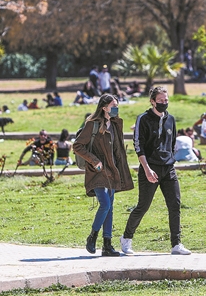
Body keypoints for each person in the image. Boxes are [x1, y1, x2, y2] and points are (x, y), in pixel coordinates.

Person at [120, 86, 192, 256]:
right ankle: (126, 238)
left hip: (168, 168)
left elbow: (172, 142)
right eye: (160, 101)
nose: (163, 103)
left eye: (166, 100)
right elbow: (139, 146)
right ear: (152, 101)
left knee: (175, 204)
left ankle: (176, 244)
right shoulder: (143, 119)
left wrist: (169, 161)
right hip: (149, 168)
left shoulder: (171, 120)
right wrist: (147, 169)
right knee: (143, 206)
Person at [73, 95, 134, 256]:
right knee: (105, 204)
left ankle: (107, 245)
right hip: (97, 171)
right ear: (104, 107)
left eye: (117, 105)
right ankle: (92, 236)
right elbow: (77, 145)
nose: (116, 108)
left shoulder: (114, 124)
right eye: (113, 105)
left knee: (110, 208)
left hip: (112, 171)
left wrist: (121, 169)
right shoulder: (92, 125)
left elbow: (117, 150)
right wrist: (94, 161)